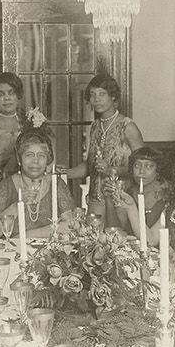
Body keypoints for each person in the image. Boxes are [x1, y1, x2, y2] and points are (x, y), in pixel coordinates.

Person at [70, 73, 146, 234]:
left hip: (121, 198)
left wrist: (112, 170)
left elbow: (143, 168)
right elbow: (90, 166)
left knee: (117, 247)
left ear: (113, 97)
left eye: (102, 94)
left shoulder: (128, 126)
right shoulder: (95, 126)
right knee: (93, 247)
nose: (96, 99)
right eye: (92, 95)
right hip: (95, 199)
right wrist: (64, 173)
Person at [0, 132, 80, 239]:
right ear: (19, 159)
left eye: (41, 155)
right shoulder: (5, 187)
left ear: (48, 160)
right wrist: (16, 206)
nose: (35, 161)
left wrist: (25, 235)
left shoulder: (56, 184)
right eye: (29, 155)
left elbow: (70, 226)